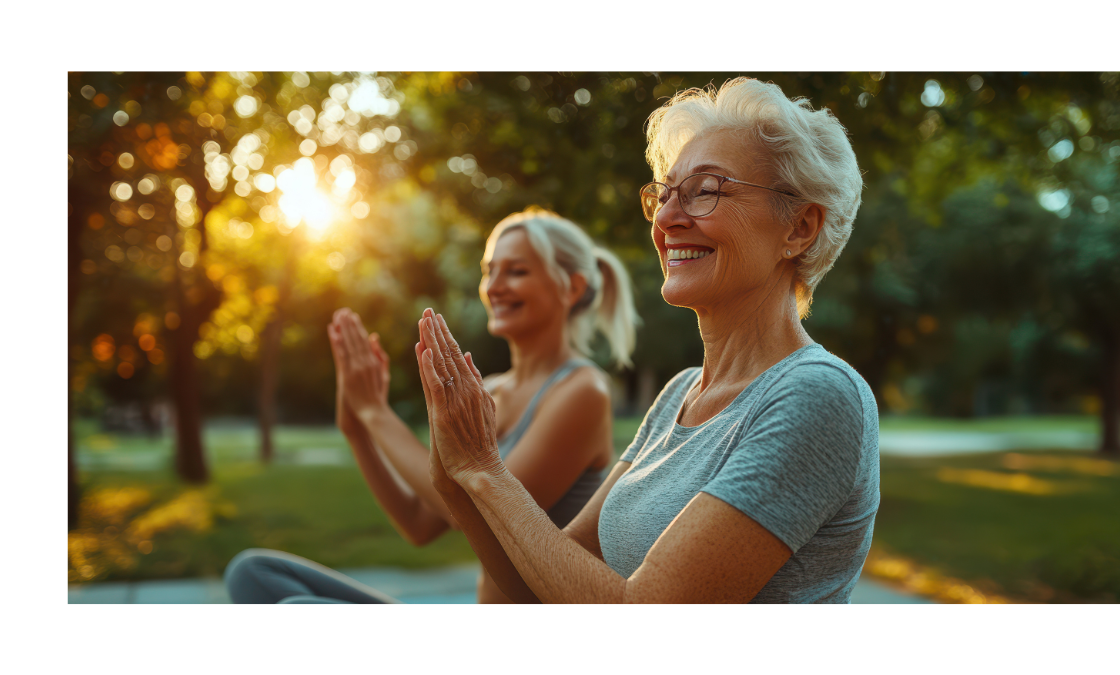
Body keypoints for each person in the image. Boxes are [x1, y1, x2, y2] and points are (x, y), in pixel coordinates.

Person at [417, 77, 879, 604]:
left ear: (799, 227)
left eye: (705, 191)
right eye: (664, 194)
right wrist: (458, 477)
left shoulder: (819, 395)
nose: (665, 219)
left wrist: (485, 472)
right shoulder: (678, 395)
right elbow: (539, 585)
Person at [224, 209, 639, 604]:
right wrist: (357, 429)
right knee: (254, 573)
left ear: (572, 287)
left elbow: (468, 513)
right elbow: (419, 525)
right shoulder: (489, 391)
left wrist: (376, 414)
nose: (494, 286)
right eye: (489, 270)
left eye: (517, 271)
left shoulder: (583, 392)